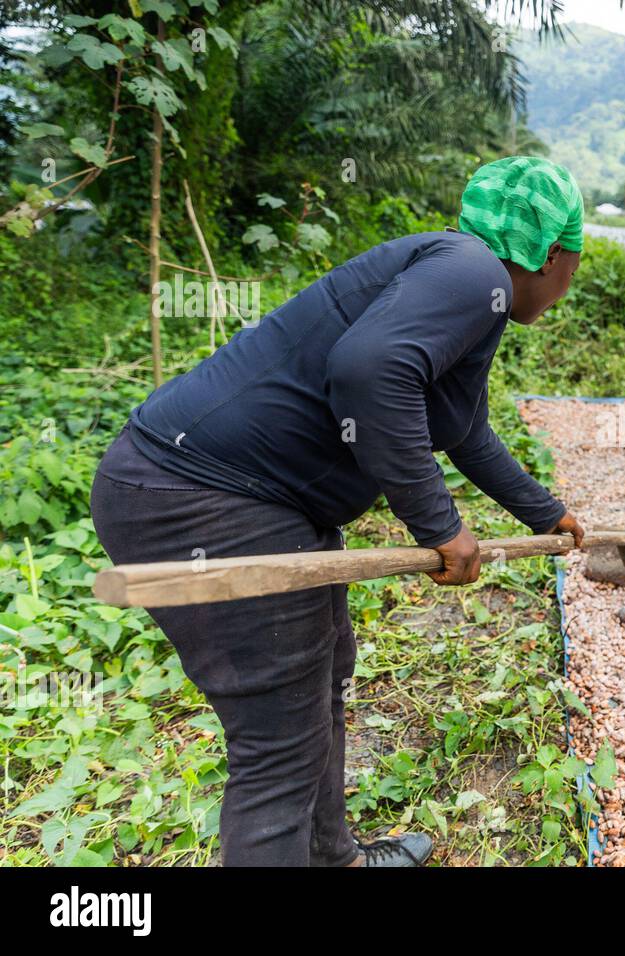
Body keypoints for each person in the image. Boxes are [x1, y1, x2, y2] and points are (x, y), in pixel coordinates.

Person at [90, 156, 587, 867]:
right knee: (278, 749)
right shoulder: (473, 274)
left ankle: (335, 859)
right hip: (202, 502)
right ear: (551, 252)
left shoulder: (466, 286)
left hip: (253, 501)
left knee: (321, 677)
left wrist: (545, 512)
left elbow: (463, 428)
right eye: (576, 257)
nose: (571, 277)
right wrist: (440, 525)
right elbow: (368, 369)